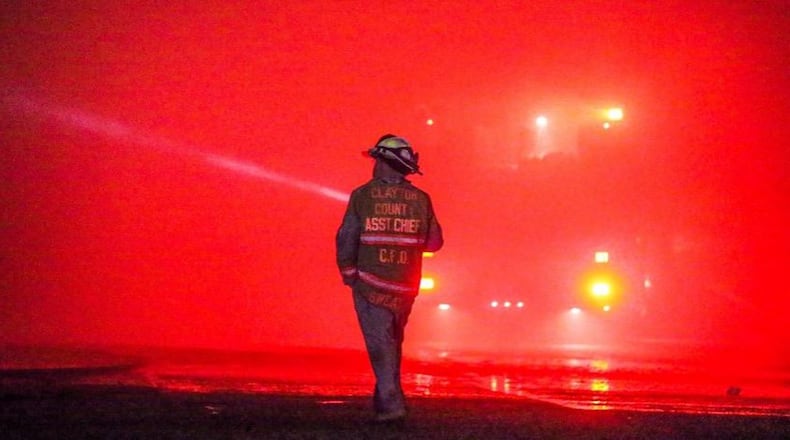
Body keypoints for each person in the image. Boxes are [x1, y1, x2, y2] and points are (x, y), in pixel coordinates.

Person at [336, 134, 444, 422]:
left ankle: (390, 404)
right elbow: (434, 243)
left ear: (383, 162)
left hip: (370, 283)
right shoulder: (421, 199)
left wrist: (349, 274)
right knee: (392, 341)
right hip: (406, 286)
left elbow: (346, 237)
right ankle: (385, 397)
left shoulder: (362, 196)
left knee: (379, 342)